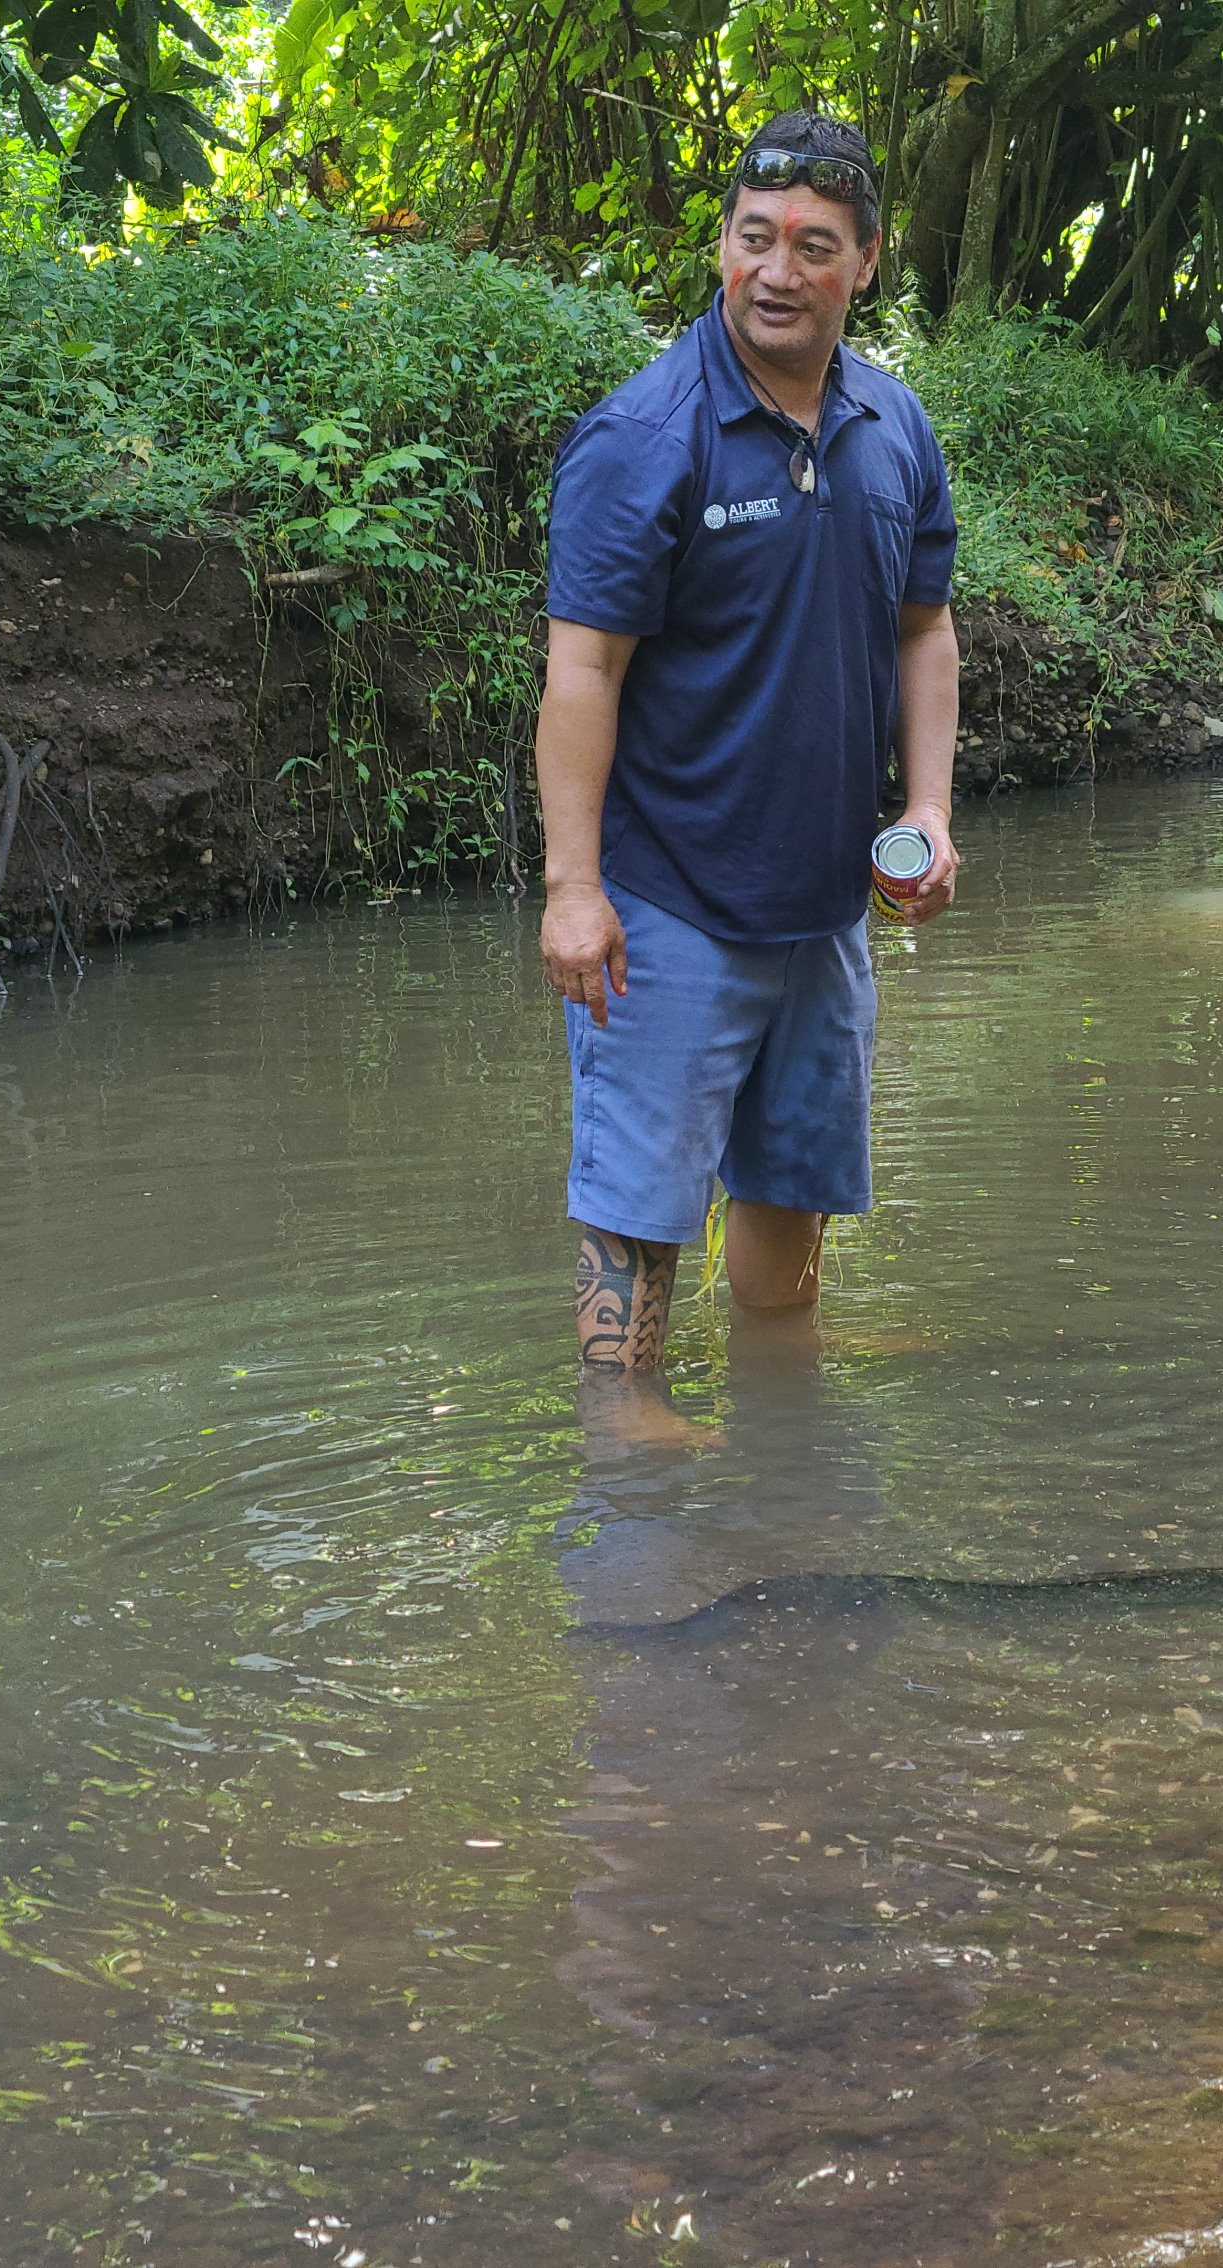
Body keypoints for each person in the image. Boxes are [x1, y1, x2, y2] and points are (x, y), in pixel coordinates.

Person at [533, 111, 960, 1390]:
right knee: (639, 1219)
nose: (778, 271)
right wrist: (573, 889)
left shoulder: (896, 428)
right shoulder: (645, 438)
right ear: (723, 246)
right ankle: (627, 1451)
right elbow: (581, 671)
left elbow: (926, 633)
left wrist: (930, 810)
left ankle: (783, 1442)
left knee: (791, 1218)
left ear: (866, 262)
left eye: (814, 246)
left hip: (824, 913)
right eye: (754, 239)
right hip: (666, 907)